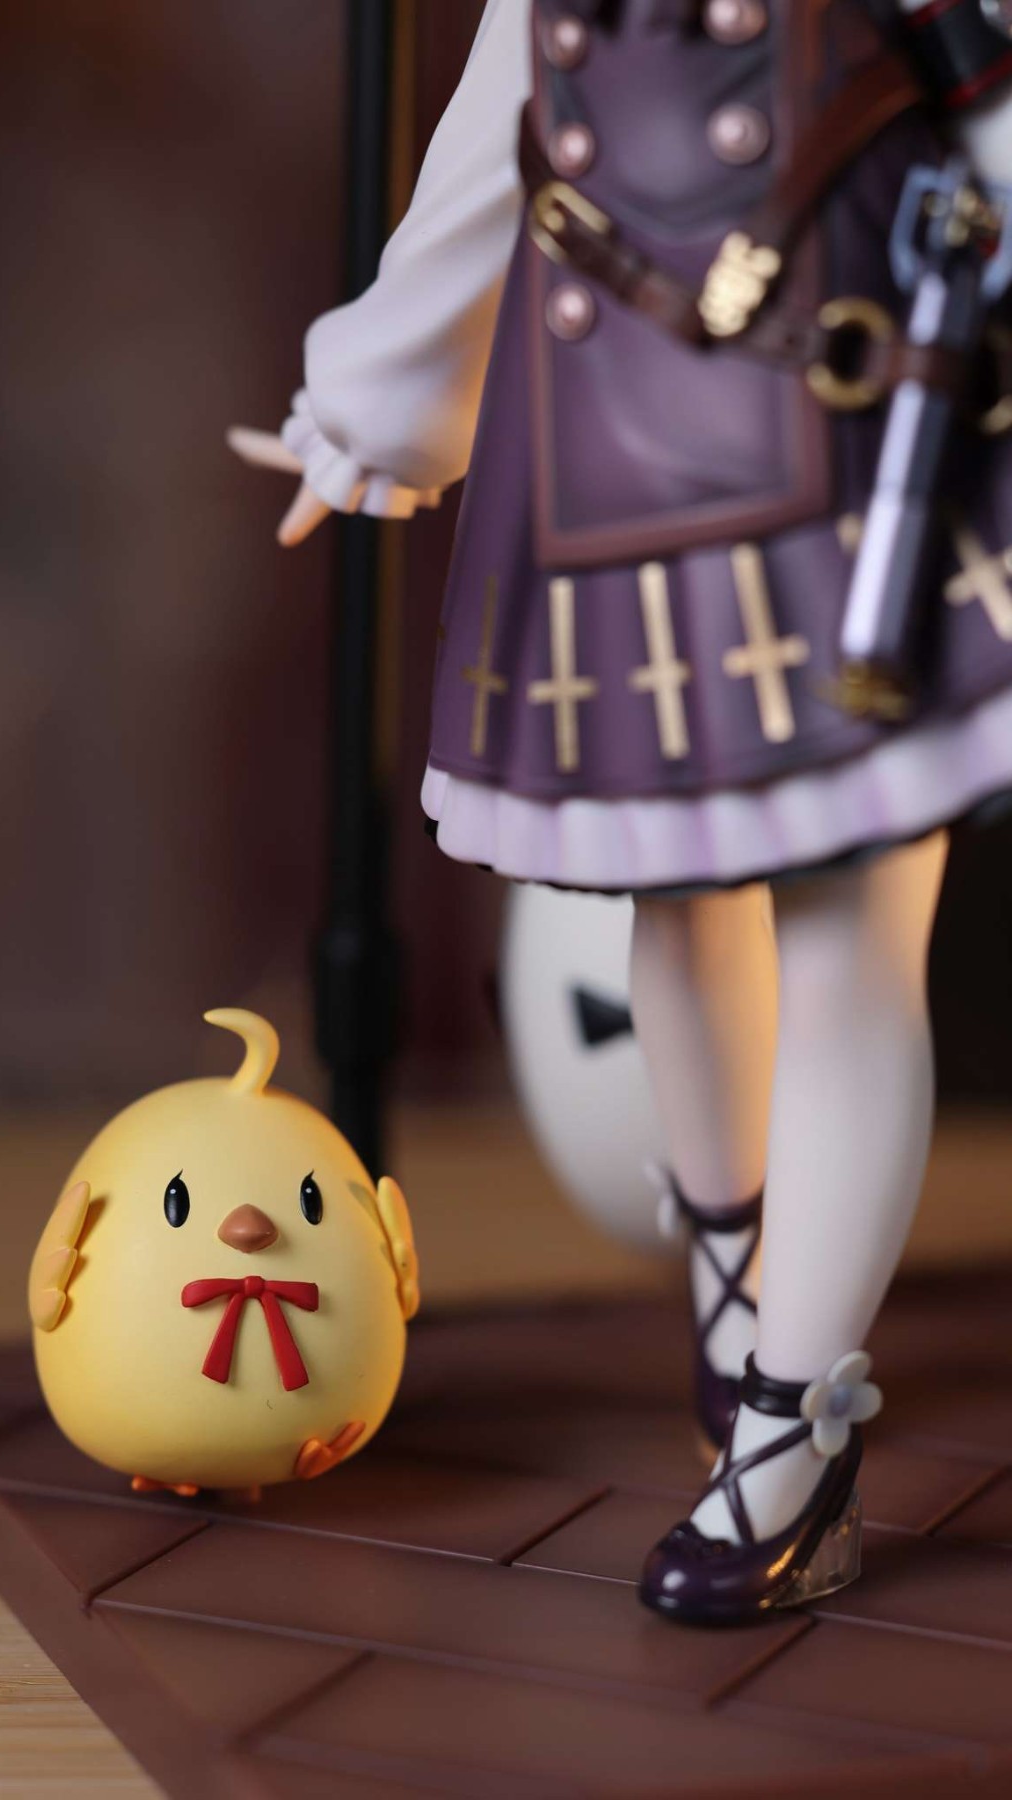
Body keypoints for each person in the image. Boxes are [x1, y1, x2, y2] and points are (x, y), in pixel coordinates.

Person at [231, 0, 1012, 1623]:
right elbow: (494, 135)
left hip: (852, 405)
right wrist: (378, 397)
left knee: (849, 936)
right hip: (612, 421)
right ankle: (736, 1299)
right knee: (672, 891)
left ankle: (796, 1432)